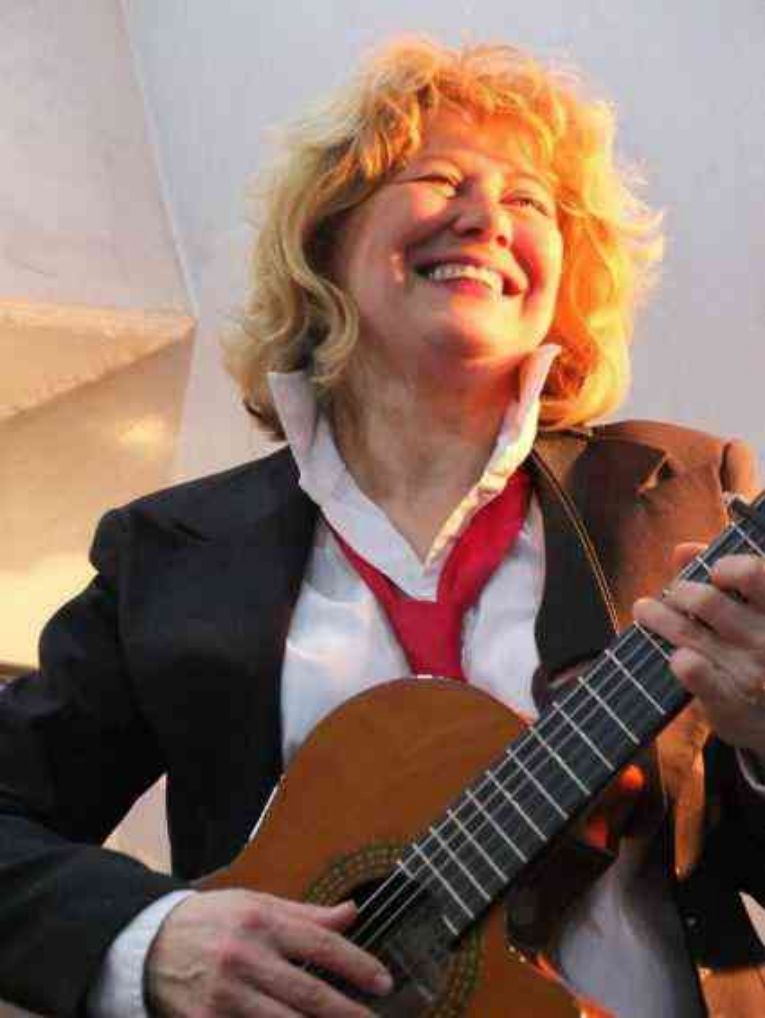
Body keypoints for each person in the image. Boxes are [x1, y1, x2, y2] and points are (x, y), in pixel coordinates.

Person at [0, 35, 763, 1018]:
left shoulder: (684, 500)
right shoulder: (172, 554)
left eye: (530, 201)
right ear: (328, 238)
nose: (487, 217)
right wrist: (151, 938)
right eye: (438, 179)